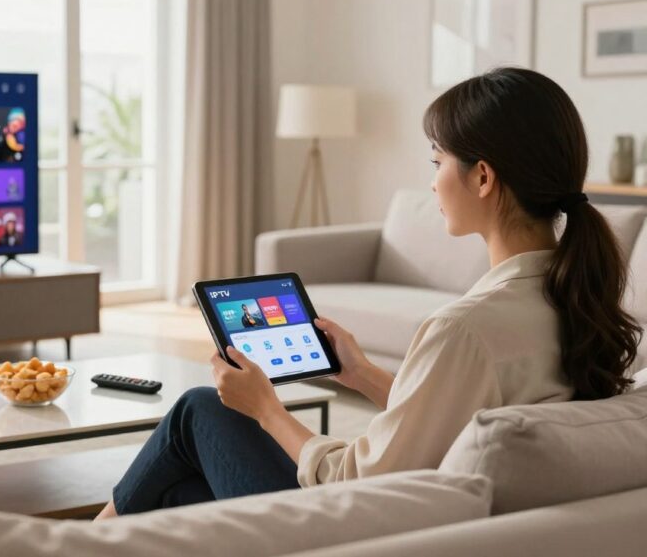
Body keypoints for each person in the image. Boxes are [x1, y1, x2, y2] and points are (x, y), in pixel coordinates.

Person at [95, 67, 643, 519]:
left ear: (482, 178)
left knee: (198, 411)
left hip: (351, 531)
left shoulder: (465, 329)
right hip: (452, 518)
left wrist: (266, 409)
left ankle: (86, 539)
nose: (431, 183)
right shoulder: (580, 300)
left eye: (437, 162)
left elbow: (356, 481)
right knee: (178, 497)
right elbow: (456, 417)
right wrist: (361, 375)